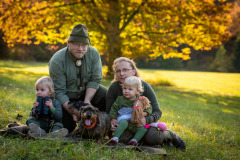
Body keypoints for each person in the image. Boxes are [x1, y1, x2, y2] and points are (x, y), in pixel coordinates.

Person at [106, 57, 186, 149]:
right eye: (118, 71)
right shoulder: (114, 87)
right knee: (121, 138)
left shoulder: (144, 86)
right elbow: (109, 111)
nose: (121, 74)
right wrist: (112, 121)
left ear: (133, 71)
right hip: (125, 123)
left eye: (125, 70)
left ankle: (170, 135)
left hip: (143, 123)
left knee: (153, 137)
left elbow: (157, 112)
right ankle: (138, 140)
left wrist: (146, 120)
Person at [49, 24, 107, 133]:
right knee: (67, 127)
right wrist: (72, 112)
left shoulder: (94, 54)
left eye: (84, 45)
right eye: (76, 44)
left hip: (87, 95)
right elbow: (59, 91)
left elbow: (95, 79)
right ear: (68, 43)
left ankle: (104, 126)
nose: (80, 49)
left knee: (103, 92)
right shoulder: (57, 60)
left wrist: (87, 101)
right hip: (67, 99)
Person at [109, 76, 152, 146]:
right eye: (124, 88)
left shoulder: (140, 100)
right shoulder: (120, 99)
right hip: (123, 119)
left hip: (134, 122)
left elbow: (149, 107)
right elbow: (114, 108)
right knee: (123, 123)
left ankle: (134, 140)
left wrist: (144, 113)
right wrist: (113, 118)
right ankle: (115, 138)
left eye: (130, 89)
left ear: (137, 91)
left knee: (143, 129)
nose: (126, 91)